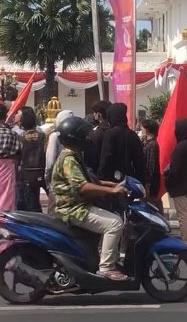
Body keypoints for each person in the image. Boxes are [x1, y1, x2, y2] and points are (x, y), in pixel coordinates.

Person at [49, 115, 129, 281]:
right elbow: (82, 186)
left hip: (78, 205)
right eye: (84, 136)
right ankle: (106, 268)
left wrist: (112, 185)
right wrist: (111, 192)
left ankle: (103, 259)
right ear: (76, 138)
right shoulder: (69, 159)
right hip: (74, 209)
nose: (87, 139)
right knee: (114, 223)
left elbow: (90, 180)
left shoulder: (73, 155)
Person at [165, 118, 187, 251]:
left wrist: (168, 175)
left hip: (179, 185)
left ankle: (186, 243)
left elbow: (175, 169)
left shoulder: (180, 147)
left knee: (182, 215)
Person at [97, 102, 145, 183]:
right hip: (130, 179)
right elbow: (139, 160)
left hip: (112, 180)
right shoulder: (132, 134)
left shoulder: (110, 133)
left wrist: (100, 178)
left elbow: (106, 158)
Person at [17, 107, 48, 213]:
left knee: (31, 204)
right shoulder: (42, 136)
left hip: (26, 174)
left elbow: (18, 155)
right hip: (40, 171)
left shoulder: (20, 137)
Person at [138, 119, 163, 211]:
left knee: (152, 206)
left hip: (150, 185)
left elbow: (150, 166)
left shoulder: (152, 145)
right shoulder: (147, 144)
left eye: (142, 129)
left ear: (147, 130)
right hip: (148, 183)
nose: (141, 131)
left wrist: (147, 183)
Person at [84, 100, 111, 174]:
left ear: (99, 114)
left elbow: (92, 155)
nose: (93, 114)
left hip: (99, 172)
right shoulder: (114, 129)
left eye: (94, 112)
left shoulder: (97, 132)